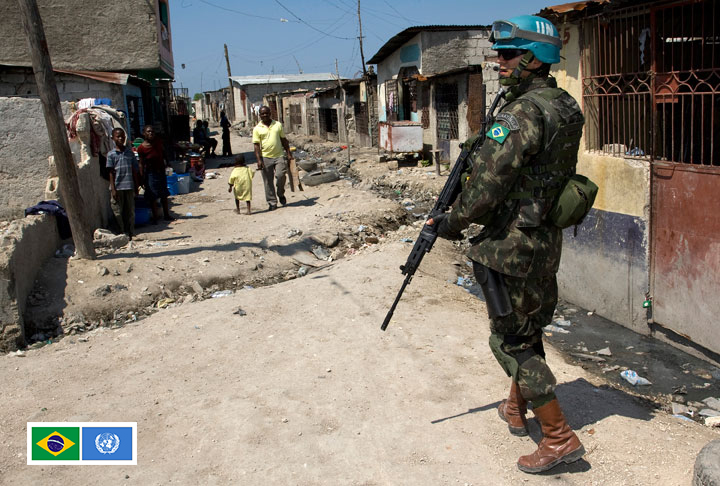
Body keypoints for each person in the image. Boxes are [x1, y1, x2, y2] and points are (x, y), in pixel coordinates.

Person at [428, 15, 585, 474]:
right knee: (530, 326)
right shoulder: (565, 106)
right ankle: (516, 408)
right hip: (543, 241)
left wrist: (450, 223)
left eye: (509, 54)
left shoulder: (521, 114)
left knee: (512, 341)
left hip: (508, 246)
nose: (500, 61)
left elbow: (485, 190)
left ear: (533, 59)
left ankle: (558, 436)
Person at [252, 106, 294, 211]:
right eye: (262, 114)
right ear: (259, 115)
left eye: (266, 113)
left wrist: (288, 153)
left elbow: (284, 140)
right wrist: (258, 160)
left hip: (279, 155)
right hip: (265, 158)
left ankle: (280, 193)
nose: (265, 115)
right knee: (268, 181)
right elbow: (256, 146)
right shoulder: (257, 128)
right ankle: (272, 202)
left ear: (270, 113)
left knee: (280, 176)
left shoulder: (278, 125)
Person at [106, 127, 139, 239]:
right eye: (118, 136)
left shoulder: (129, 153)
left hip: (129, 185)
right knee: (117, 211)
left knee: (130, 211)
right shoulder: (111, 154)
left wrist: (136, 186)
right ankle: (121, 231)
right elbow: (111, 173)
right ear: (113, 138)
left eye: (122, 136)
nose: (120, 138)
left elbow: (135, 170)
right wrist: (113, 188)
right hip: (117, 186)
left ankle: (131, 232)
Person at [137, 125, 173, 223]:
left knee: (164, 194)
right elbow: (141, 163)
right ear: (144, 133)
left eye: (152, 132)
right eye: (148, 132)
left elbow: (163, 153)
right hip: (150, 173)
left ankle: (166, 215)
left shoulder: (158, 142)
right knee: (152, 195)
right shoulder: (141, 148)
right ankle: (155, 217)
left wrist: (167, 162)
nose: (151, 134)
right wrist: (141, 176)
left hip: (160, 171)